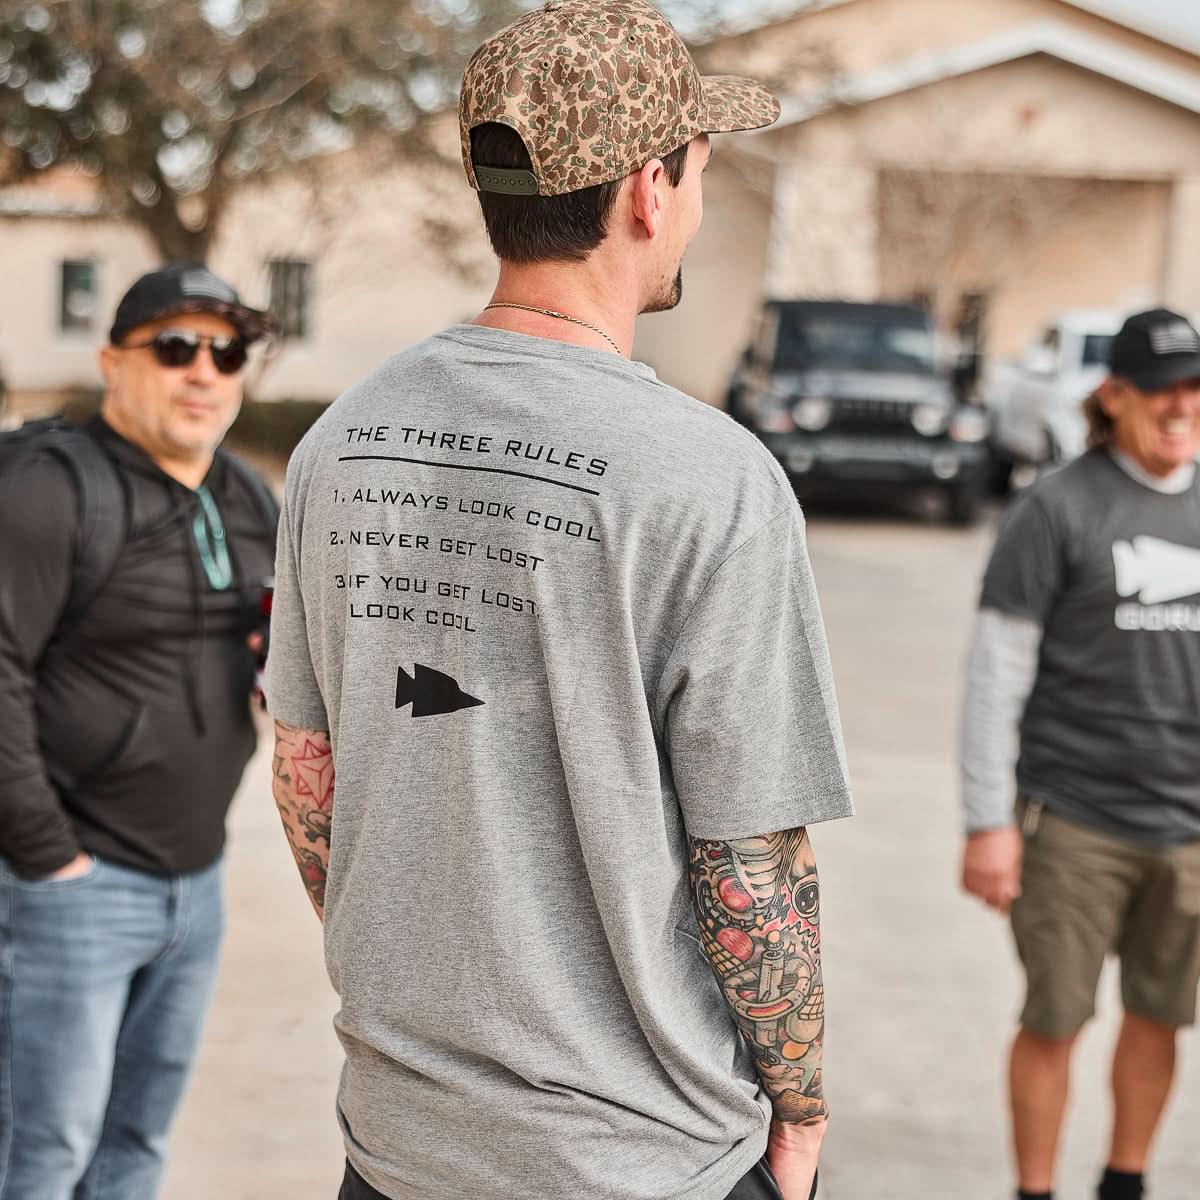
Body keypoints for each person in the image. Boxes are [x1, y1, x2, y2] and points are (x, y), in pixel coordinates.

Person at [264, 2, 854, 1198]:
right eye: (695, 168)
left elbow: (308, 776)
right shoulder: (711, 476)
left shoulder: (340, 442)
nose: (692, 201)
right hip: (639, 1159)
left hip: (397, 1148)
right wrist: (799, 1099)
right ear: (648, 191)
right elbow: (748, 862)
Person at [0, 263, 278, 1200]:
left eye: (227, 350)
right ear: (113, 362)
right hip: (70, 887)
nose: (204, 371)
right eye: (175, 347)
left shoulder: (245, 499)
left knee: (134, 1148)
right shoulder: (47, 488)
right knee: (38, 1158)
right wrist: (45, 856)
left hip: (194, 887)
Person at [960, 308, 1200, 1200]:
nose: (1182, 407)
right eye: (1163, 388)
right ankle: (1037, 1192)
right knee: (1055, 1019)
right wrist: (989, 823)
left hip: (1188, 828)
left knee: (1160, 1016)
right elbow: (995, 676)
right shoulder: (1055, 508)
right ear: (1115, 394)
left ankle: (1125, 1183)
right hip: (1073, 821)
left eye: (1195, 387)